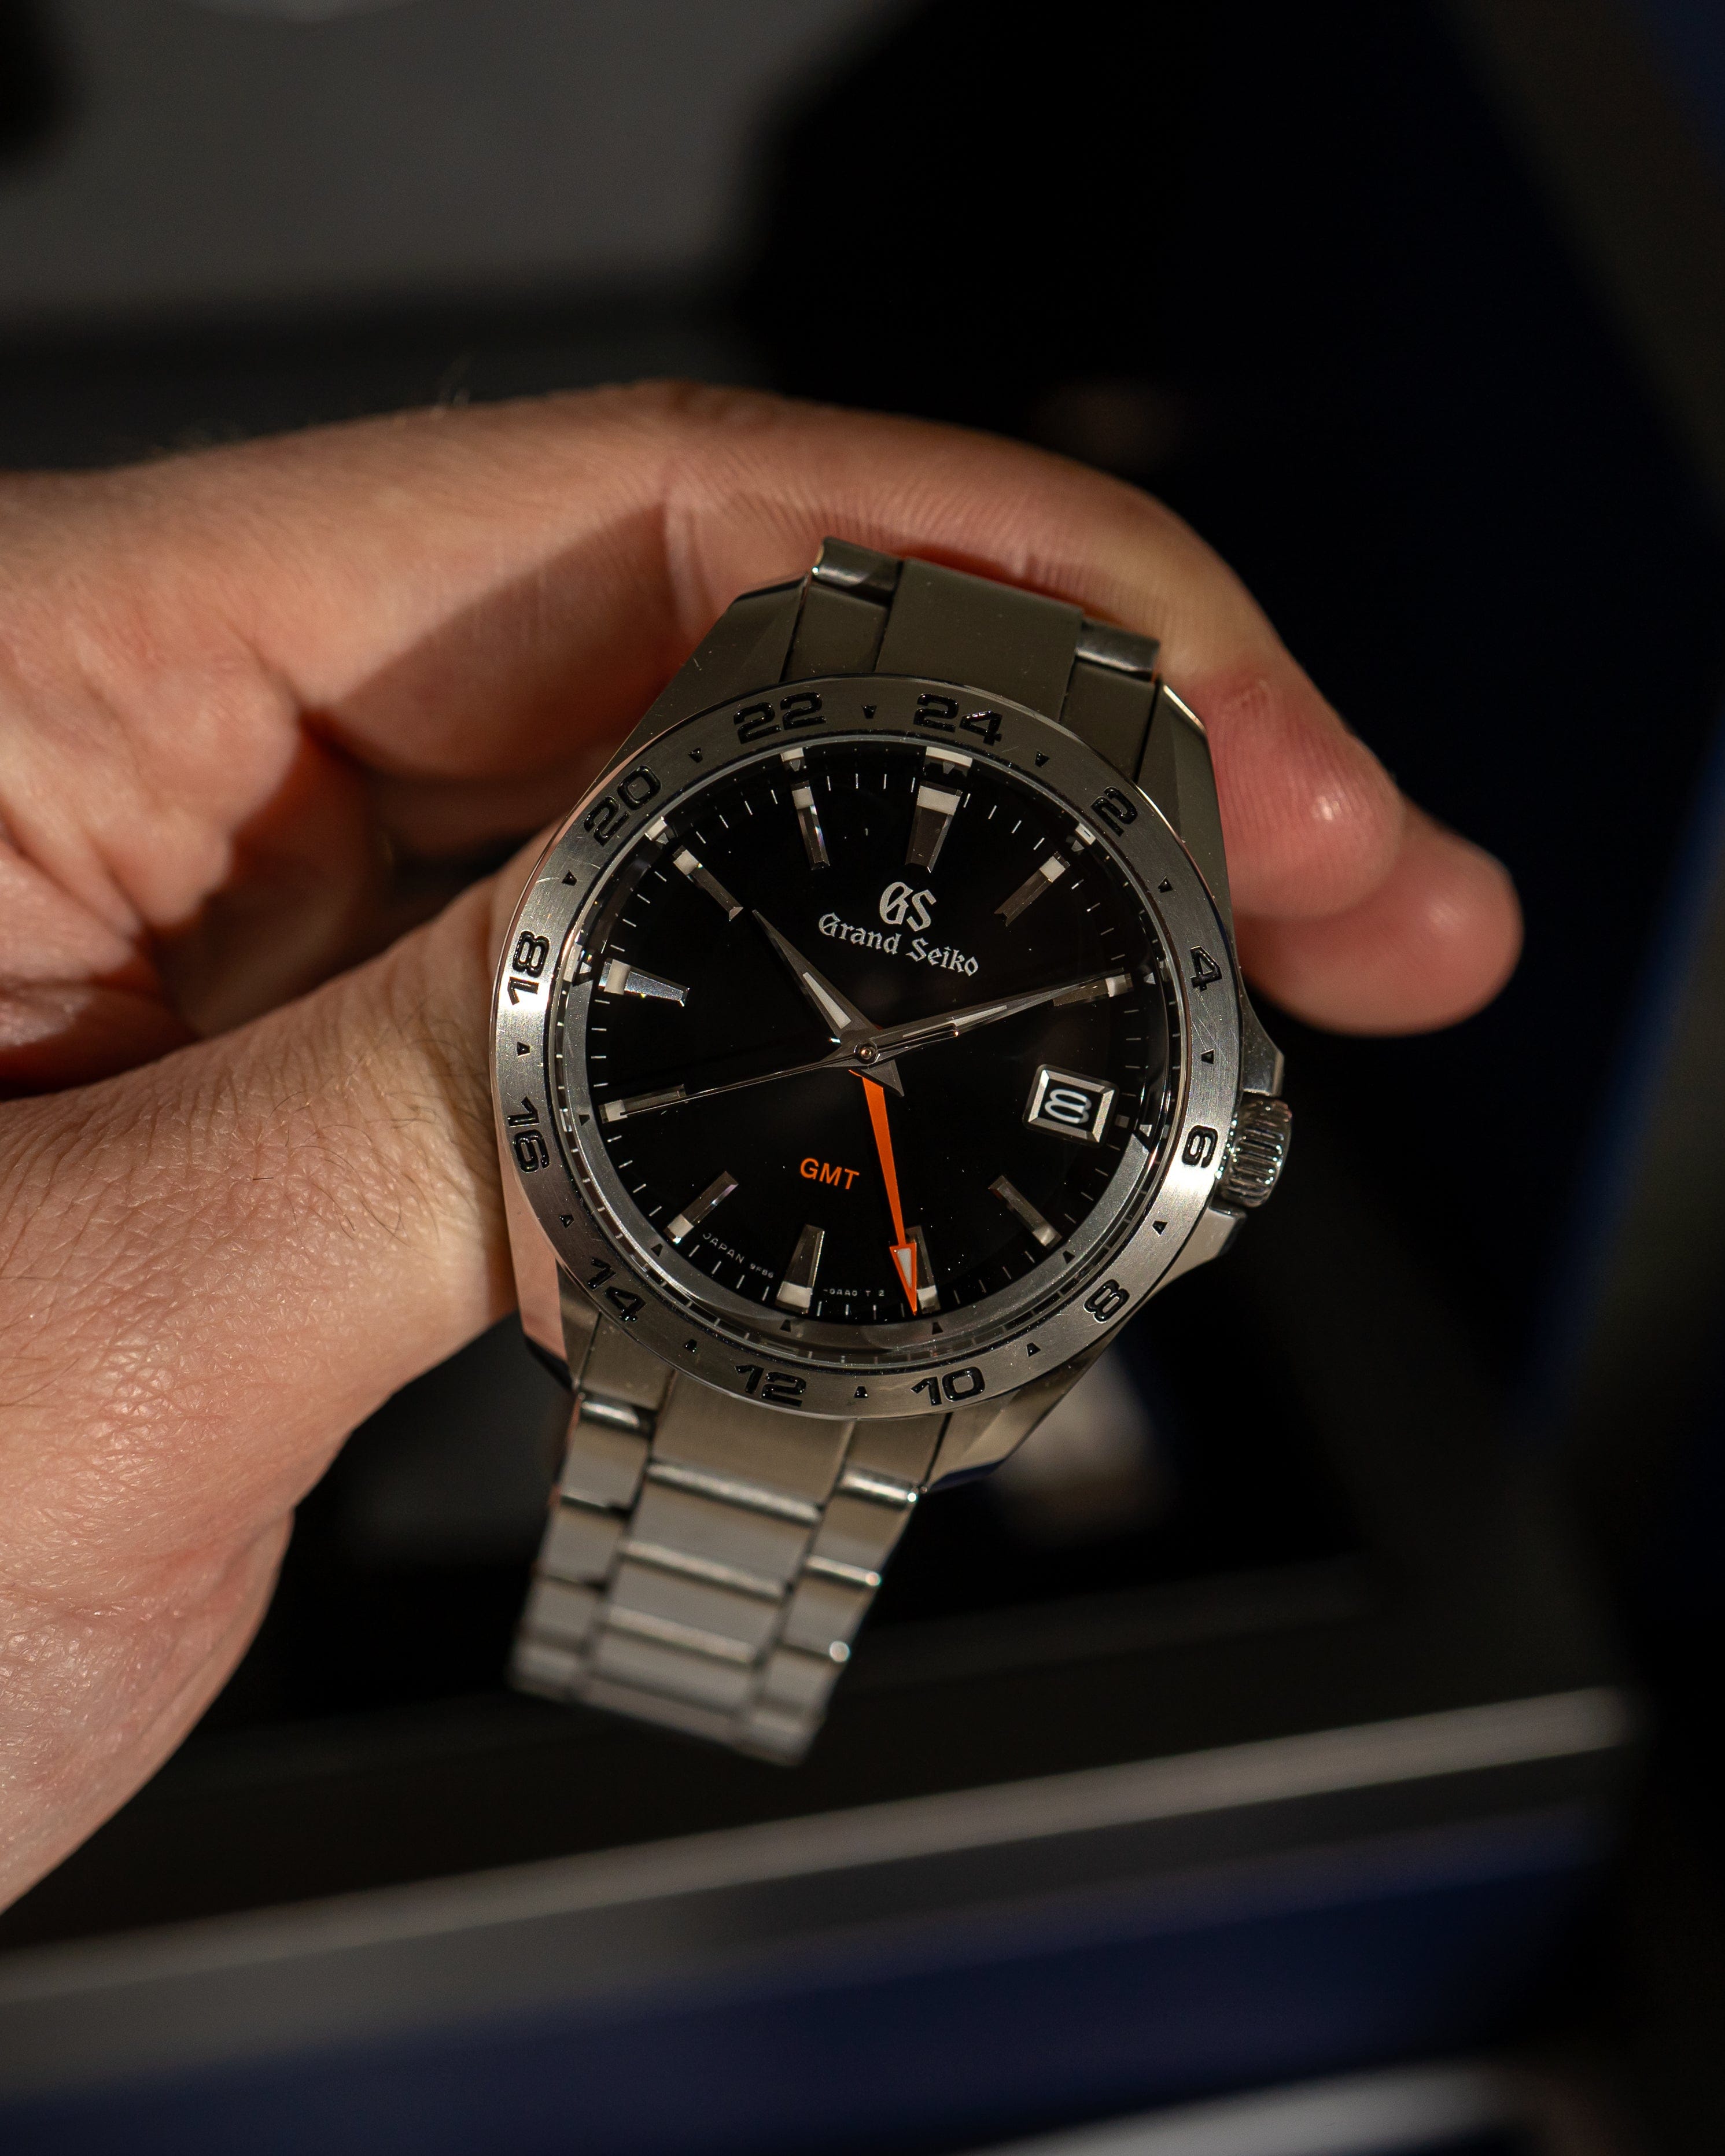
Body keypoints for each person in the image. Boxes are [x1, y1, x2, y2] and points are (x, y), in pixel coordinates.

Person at [0, 382, 1520, 1909]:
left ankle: (639, 1756)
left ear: (1213, 1153)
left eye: (885, 1055)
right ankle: (636, 1758)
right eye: (860, 1040)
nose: (867, 1053)